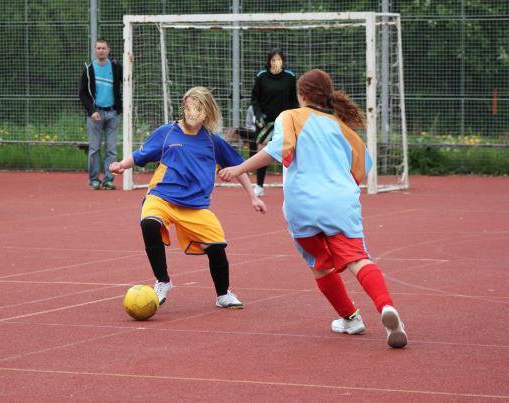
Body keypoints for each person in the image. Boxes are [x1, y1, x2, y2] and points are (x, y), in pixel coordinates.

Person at [219, 69, 408, 348]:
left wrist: (239, 168)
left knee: (320, 265)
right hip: (339, 203)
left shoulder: (291, 116)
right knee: (357, 258)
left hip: (301, 206)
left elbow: (277, 149)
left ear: (302, 95)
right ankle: (386, 308)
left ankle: (350, 318)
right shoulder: (345, 131)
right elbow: (361, 169)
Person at [109, 87, 267, 309]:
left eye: (198, 108)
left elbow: (239, 168)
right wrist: (121, 165)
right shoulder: (167, 133)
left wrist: (253, 197)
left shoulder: (213, 142)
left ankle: (223, 294)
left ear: (206, 112)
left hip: (195, 205)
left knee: (217, 247)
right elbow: (139, 155)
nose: (192, 112)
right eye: (189, 107)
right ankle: (163, 281)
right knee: (149, 224)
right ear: (183, 108)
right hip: (162, 196)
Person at [250, 48, 298, 196]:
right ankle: (259, 185)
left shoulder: (290, 77)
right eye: (273, 60)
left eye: (279, 59)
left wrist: (293, 117)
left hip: (284, 121)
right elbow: (255, 99)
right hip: (265, 122)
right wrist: (258, 115)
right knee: (262, 151)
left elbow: (294, 101)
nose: (276, 62)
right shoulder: (261, 76)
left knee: (289, 152)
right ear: (269, 61)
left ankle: (290, 186)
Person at [79, 38, 123, 190]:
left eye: (103, 48)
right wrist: (92, 111)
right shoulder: (89, 68)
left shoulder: (116, 67)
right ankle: (94, 179)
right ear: (95, 50)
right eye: (98, 48)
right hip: (96, 114)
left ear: (108, 50)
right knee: (94, 148)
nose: (101, 51)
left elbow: (129, 78)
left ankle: (108, 180)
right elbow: (82, 93)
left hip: (113, 113)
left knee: (111, 149)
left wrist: (131, 63)